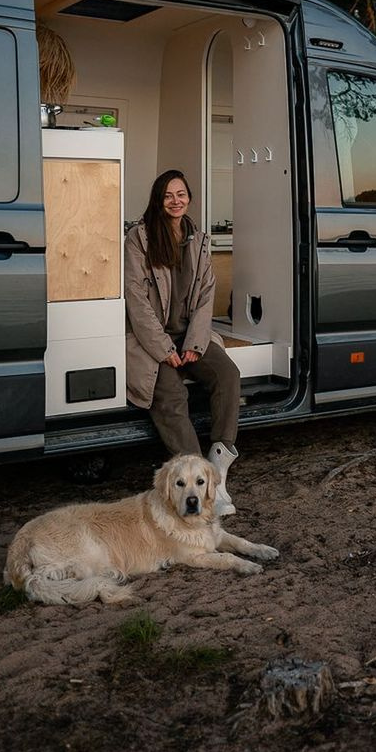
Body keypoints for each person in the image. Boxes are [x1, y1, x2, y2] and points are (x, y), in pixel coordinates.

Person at [124, 170, 241, 514]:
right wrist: (164, 349)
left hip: (191, 335)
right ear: (158, 200)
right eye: (168, 195)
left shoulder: (198, 238)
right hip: (152, 338)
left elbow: (206, 295)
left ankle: (216, 473)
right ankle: (196, 483)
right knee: (172, 394)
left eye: (181, 194)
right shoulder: (139, 238)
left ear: (189, 197)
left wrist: (194, 343)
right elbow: (136, 300)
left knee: (228, 375)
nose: (176, 201)